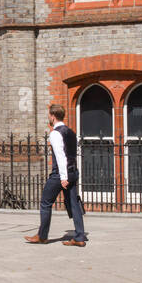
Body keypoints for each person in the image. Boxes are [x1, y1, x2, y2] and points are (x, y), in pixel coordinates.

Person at [26, 103, 87, 248]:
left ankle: (42, 236)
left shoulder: (55, 133)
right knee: (74, 204)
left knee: (45, 203)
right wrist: (70, 175)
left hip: (61, 174)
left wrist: (63, 177)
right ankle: (80, 236)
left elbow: (60, 156)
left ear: (53, 116)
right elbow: (72, 154)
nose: (49, 117)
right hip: (73, 171)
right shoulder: (71, 132)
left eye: (49, 115)